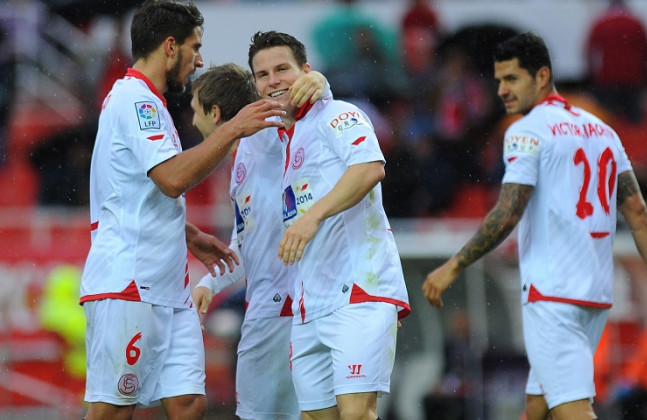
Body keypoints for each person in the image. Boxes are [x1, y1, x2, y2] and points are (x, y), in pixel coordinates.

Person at [422, 32, 647, 420]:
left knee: (572, 412)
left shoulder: (526, 132)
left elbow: (508, 212)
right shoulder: (603, 131)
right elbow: (637, 210)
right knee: (538, 407)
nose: (502, 90)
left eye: (512, 79)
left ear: (542, 76)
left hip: (552, 295)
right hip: (594, 295)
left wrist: (453, 266)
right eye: (498, 80)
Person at [79, 1, 285, 419]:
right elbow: (172, 178)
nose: (200, 59)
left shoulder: (149, 103)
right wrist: (233, 128)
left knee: (189, 404)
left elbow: (133, 190)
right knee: (112, 411)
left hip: (169, 287)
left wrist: (188, 234)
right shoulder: (135, 102)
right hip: (130, 282)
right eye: (195, 47)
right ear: (170, 47)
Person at [248, 30, 411, 420]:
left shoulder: (339, 114)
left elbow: (370, 168)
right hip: (311, 304)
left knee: (357, 414)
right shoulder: (284, 138)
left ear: (306, 70)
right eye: (262, 74)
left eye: (282, 69)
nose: (273, 80)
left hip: (357, 292)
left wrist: (312, 218)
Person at [189, 63, 329, 420]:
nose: (192, 121)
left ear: (215, 112)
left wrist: (320, 83)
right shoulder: (240, 157)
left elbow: (305, 115)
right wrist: (211, 280)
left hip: (287, 308)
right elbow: (248, 239)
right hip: (267, 306)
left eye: (195, 110)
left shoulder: (269, 138)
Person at [584, 0, 647, 123]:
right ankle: (633, 141)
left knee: (606, 122)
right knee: (634, 124)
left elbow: (589, 52)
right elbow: (646, 51)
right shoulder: (636, 23)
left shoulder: (601, 23)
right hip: (632, 81)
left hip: (607, 81)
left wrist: (594, 76)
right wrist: (643, 74)